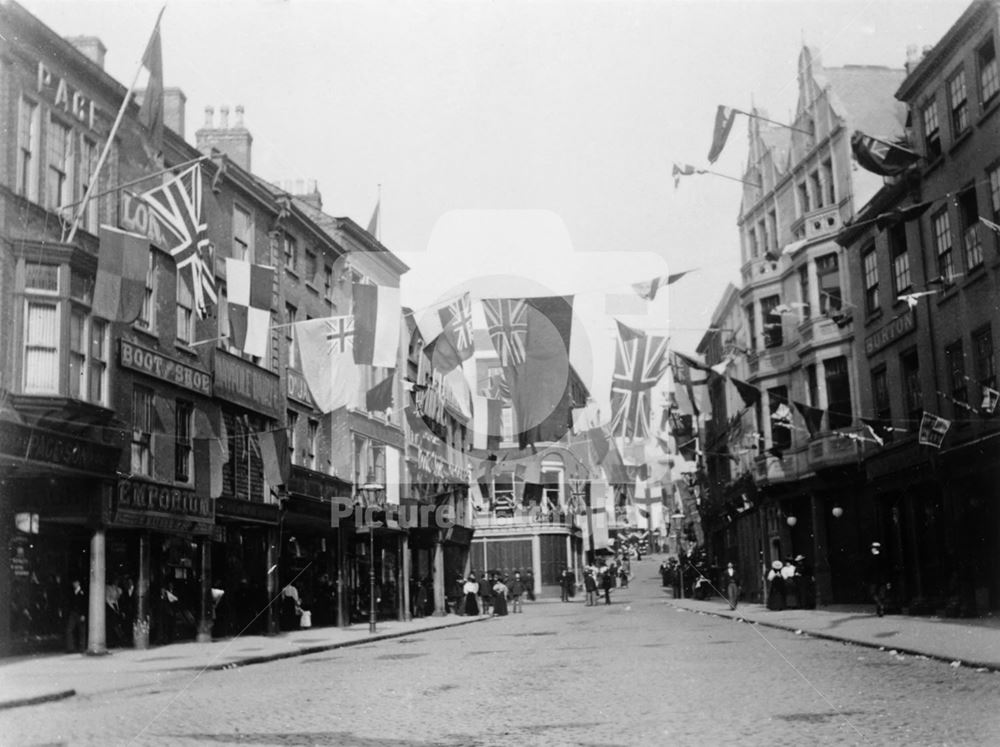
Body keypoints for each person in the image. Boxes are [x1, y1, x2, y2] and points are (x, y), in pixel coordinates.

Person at [866, 542, 890, 617]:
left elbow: (869, 568)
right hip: (882, 579)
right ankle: (880, 607)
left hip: (875, 579)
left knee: (873, 593)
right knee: (881, 595)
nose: (872, 550)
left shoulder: (872, 558)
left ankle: (880, 606)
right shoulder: (883, 557)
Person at [65, 579, 87, 653]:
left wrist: (83, 614)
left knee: (81, 631)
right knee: (69, 630)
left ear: (78, 583)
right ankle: (70, 648)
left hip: (80, 613)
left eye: (75, 582)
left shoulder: (82, 592)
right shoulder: (72, 592)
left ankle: (82, 648)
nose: (74, 584)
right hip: (73, 613)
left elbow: (84, 604)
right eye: (73, 583)